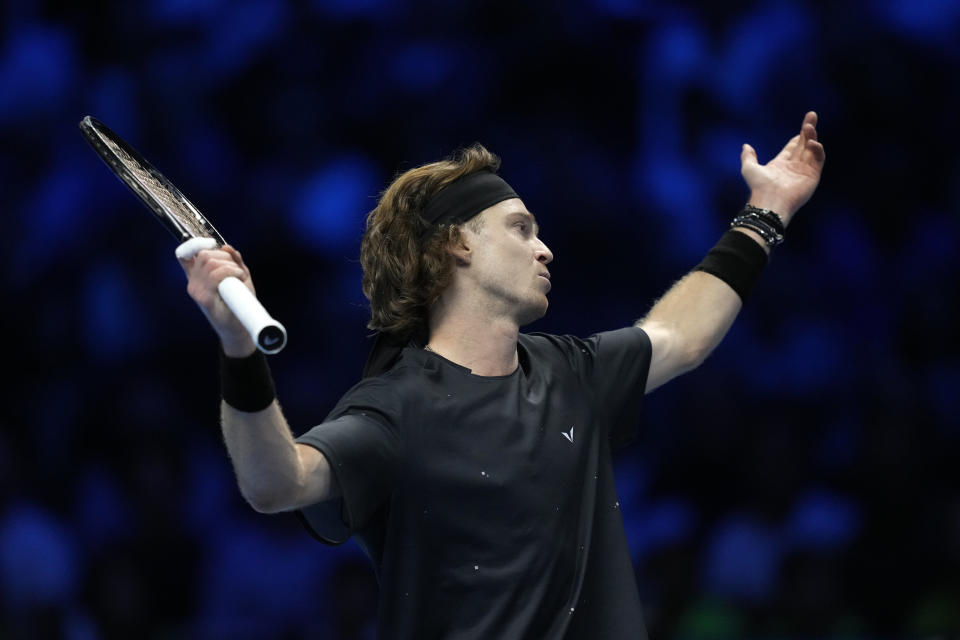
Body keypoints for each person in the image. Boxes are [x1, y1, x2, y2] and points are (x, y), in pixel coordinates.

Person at [179, 112, 825, 639]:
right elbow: (275, 482)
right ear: (455, 245)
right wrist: (239, 348)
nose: (544, 248)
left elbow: (682, 335)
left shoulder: (572, 372)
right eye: (521, 229)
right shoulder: (394, 410)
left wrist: (764, 213)